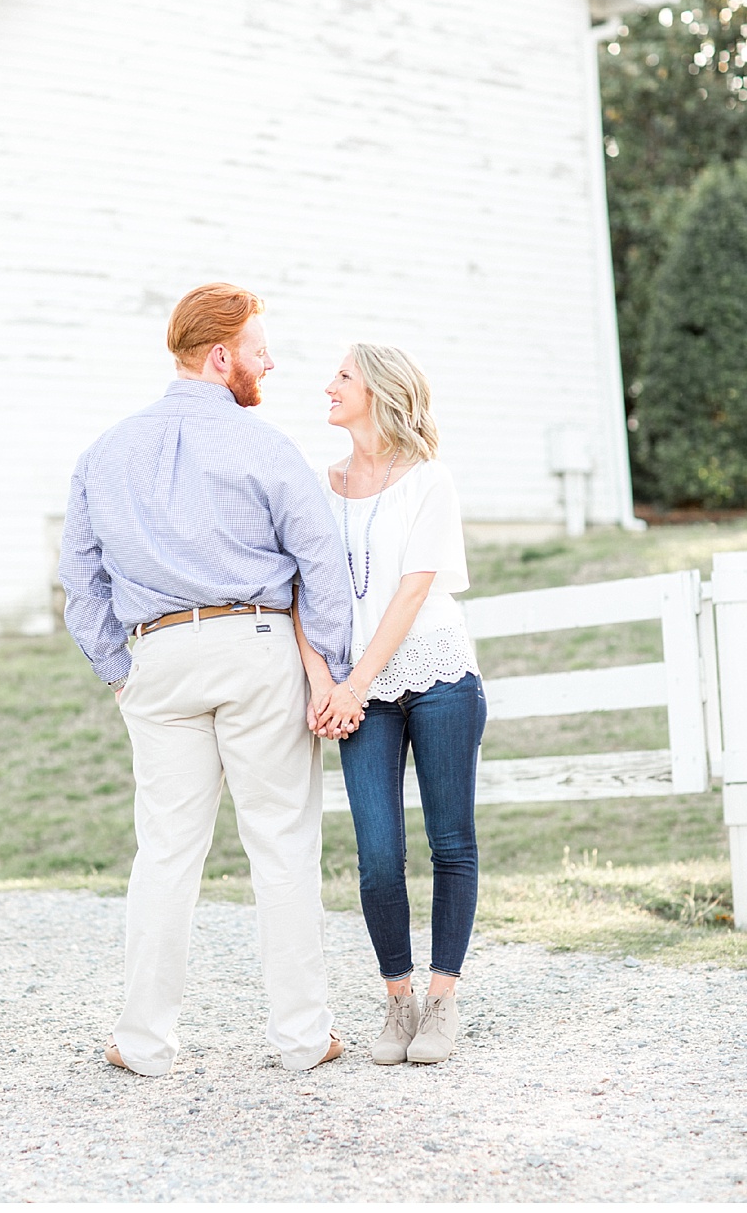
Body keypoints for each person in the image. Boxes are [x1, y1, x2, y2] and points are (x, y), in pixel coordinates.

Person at [59, 281, 356, 1076]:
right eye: (259, 350)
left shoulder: (106, 451)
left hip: (157, 657)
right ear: (220, 356)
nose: (270, 363)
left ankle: (144, 1042)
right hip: (255, 647)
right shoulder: (264, 447)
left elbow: (78, 582)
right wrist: (329, 665)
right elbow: (321, 560)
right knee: (282, 843)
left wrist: (120, 671)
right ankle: (301, 1038)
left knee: (164, 853)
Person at [295, 343, 486, 1066]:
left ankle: (443, 1002)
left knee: (450, 844)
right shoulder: (318, 485)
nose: (328, 387)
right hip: (354, 693)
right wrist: (323, 681)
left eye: (341, 376)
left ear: (377, 389)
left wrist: (352, 682)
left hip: (437, 676)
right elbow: (297, 593)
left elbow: (411, 592)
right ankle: (397, 1003)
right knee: (376, 857)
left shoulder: (429, 482)